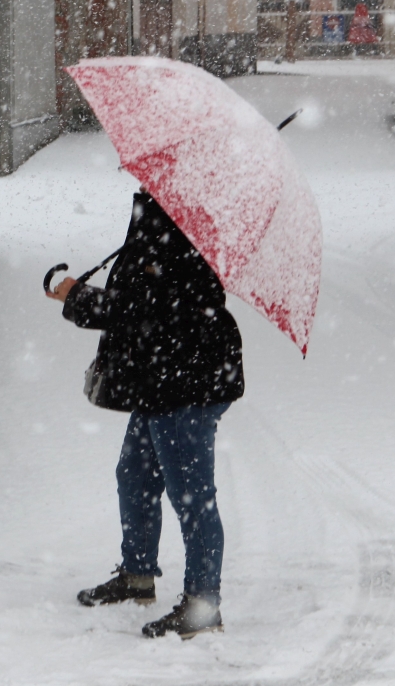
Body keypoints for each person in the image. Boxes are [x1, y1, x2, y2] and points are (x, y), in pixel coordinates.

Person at [47, 188, 244, 639]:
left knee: (191, 495)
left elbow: (142, 306)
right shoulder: (158, 209)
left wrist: (79, 299)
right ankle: (137, 576)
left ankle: (203, 605)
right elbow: (138, 295)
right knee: (134, 475)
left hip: (188, 380)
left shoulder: (185, 215)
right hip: (163, 379)